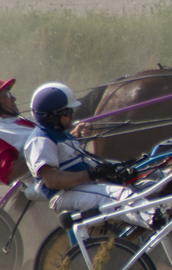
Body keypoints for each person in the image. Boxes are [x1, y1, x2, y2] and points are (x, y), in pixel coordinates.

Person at [22, 82, 151, 228]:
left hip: (85, 186)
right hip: (65, 194)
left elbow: (69, 157)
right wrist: (92, 174)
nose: (73, 115)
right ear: (51, 116)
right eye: (68, 112)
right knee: (120, 195)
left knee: (147, 184)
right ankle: (156, 219)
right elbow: (52, 180)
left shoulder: (61, 134)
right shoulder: (40, 140)